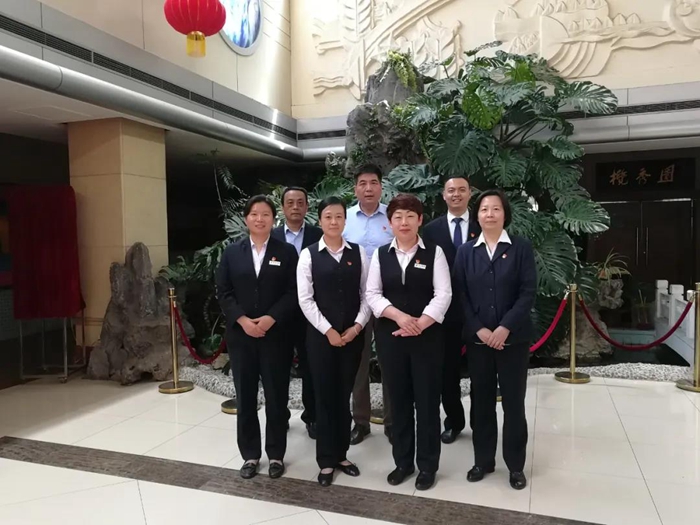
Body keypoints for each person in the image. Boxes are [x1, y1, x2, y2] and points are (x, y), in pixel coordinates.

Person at [366, 194, 452, 491]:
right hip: (391, 339)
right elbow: (372, 294)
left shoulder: (434, 253)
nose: (404, 222)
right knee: (399, 402)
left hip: (428, 339)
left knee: (427, 403)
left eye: (410, 216)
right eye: (398, 217)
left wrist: (420, 324)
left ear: (420, 220)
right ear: (389, 223)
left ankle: (427, 466)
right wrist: (401, 318)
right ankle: (403, 462)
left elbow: (443, 294)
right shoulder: (381, 255)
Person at [453, 189, 536, 491]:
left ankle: (515, 465)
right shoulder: (466, 252)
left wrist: (504, 328)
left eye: (496, 209)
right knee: (481, 403)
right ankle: (483, 461)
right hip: (479, 342)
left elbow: (527, 292)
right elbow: (460, 294)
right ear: (477, 215)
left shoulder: (521, 248)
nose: (490, 214)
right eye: (484, 209)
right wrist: (479, 329)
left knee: (514, 404)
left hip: (513, 341)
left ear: (505, 214)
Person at [216, 195, 299, 480]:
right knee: (246, 397)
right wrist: (242, 320)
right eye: (254, 214)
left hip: (276, 336)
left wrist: (270, 318)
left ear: (273, 219)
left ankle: (276, 454)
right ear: (246, 218)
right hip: (242, 337)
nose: (260, 219)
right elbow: (223, 291)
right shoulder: (232, 252)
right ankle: (250, 455)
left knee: (277, 397)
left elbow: (293, 292)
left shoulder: (286, 252)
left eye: (265, 214)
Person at [297, 196, 371, 487]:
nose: (334, 221)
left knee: (343, 395)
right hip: (321, 339)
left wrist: (357, 327)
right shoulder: (309, 255)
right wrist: (327, 330)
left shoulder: (358, 253)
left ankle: (342, 455)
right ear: (320, 220)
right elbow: (305, 299)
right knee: (325, 398)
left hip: (352, 337)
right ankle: (326, 460)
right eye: (328, 216)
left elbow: (367, 294)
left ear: (345, 220)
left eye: (339, 216)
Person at [423, 176, 481, 445]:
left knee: (481, 370)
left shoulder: (483, 224)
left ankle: (481, 423)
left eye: (461, 190)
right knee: (447, 371)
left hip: (479, 310)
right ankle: (454, 422)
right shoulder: (431, 230)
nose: (456, 194)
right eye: (451, 190)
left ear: (470, 194)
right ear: (443, 195)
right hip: (445, 313)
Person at [343, 164, 395, 445]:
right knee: (358, 363)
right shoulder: (346, 218)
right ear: (356, 189)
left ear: (381, 187)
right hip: (355, 300)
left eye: (373, 183)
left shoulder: (393, 216)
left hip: (388, 300)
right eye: (363, 183)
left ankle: (392, 421)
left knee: (389, 361)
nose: (368, 188)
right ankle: (360, 421)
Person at [271, 186, 322, 439]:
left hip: (309, 313)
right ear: (282, 207)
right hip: (279, 313)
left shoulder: (318, 235)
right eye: (290, 203)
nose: (295, 207)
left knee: (310, 367)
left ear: (307, 207)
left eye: (300, 202)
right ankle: (279, 416)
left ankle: (311, 416)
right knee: (278, 367)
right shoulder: (270, 236)